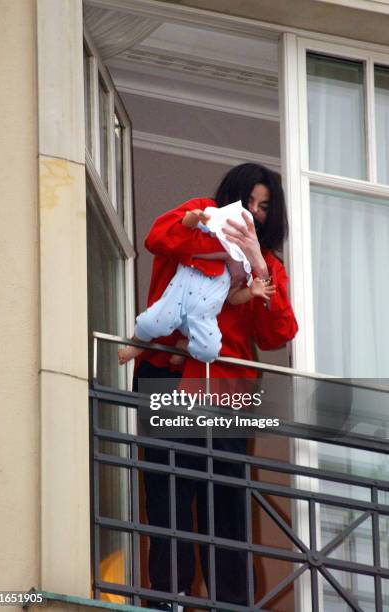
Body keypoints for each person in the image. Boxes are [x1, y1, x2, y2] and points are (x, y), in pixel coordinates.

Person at [126, 163, 298, 610]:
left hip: (226, 390)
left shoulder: (268, 264)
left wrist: (258, 262)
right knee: (168, 487)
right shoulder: (201, 215)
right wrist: (202, 223)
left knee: (227, 496)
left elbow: (277, 334)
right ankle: (170, 597)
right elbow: (157, 238)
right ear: (232, 199)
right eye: (251, 203)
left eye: (266, 208)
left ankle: (233, 602)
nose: (256, 214)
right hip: (169, 371)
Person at [117, 201, 276, 367]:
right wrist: (193, 217)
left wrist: (251, 291)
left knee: (210, 351)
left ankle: (185, 347)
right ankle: (135, 347)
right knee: (151, 322)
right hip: (175, 303)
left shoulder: (236, 270)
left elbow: (233, 297)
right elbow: (186, 229)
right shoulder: (201, 248)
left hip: (203, 316)